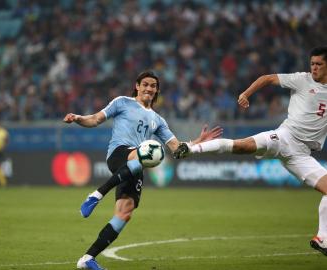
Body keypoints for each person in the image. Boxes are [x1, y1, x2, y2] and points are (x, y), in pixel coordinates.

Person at [174, 46, 327, 256]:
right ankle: (190, 149)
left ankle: (322, 239)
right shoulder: (302, 79)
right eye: (312, 63)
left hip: (302, 154)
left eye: (319, 64)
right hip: (285, 137)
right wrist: (246, 94)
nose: (314, 68)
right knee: (241, 146)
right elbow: (267, 78)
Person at [64, 70, 222, 270]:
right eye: (145, 84)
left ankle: (87, 259)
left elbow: (176, 149)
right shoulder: (122, 102)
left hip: (137, 164)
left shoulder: (158, 120)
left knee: (124, 213)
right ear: (137, 86)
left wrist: (196, 143)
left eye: (153, 86)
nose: (149, 88)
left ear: (157, 91)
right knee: (152, 152)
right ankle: (96, 195)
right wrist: (77, 117)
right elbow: (95, 119)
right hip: (119, 154)